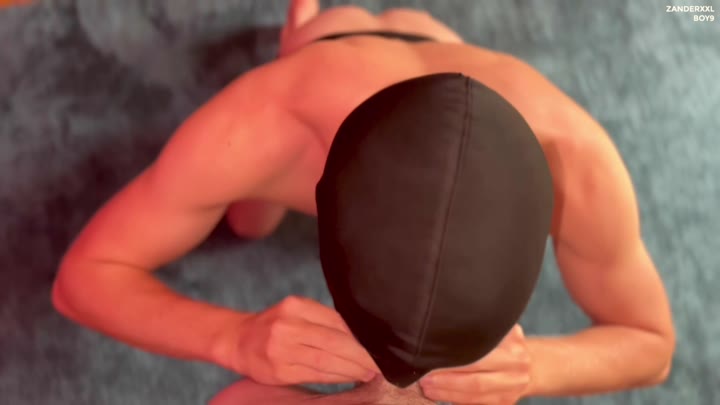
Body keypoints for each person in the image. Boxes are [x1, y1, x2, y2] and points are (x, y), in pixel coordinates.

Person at [52, 1, 676, 404]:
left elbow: (653, 343)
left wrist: (536, 365)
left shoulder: (576, 160)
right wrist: (232, 337)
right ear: (326, 195)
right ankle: (299, 21)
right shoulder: (261, 123)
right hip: (325, 46)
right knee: (249, 219)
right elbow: (82, 278)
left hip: (443, 43)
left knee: (250, 213)